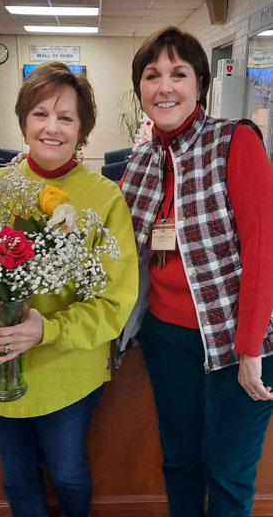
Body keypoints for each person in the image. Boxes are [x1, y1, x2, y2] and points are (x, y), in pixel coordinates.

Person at [0, 62, 138, 516]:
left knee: (66, 470)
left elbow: (115, 301)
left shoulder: (104, 198)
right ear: (24, 120)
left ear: (82, 130)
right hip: (0, 361)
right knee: (18, 475)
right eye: (41, 114)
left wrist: (46, 330)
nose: (52, 127)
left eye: (66, 118)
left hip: (69, 366)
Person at [120, 27, 273, 517]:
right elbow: (115, 242)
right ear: (140, 89)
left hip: (237, 342)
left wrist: (250, 350)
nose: (165, 86)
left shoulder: (236, 141)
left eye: (178, 74)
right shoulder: (142, 159)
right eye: (152, 75)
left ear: (199, 84)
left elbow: (263, 251)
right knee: (180, 464)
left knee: (227, 476)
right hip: (168, 339)